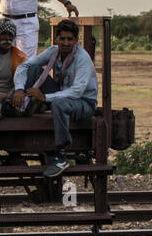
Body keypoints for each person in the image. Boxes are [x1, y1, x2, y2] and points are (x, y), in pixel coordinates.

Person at [10, 19, 97, 177]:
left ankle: (61, 155)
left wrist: (45, 97)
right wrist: (19, 89)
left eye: (70, 39)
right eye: (62, 38)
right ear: (56, 39)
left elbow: (77, 91)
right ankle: (10, 106)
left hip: (83, 102)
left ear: (76, 41)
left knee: (58, 103)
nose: (65, 43)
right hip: (61, 94)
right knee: (35, 69)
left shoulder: (82, 59)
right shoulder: (53, 52)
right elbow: (24, 66)